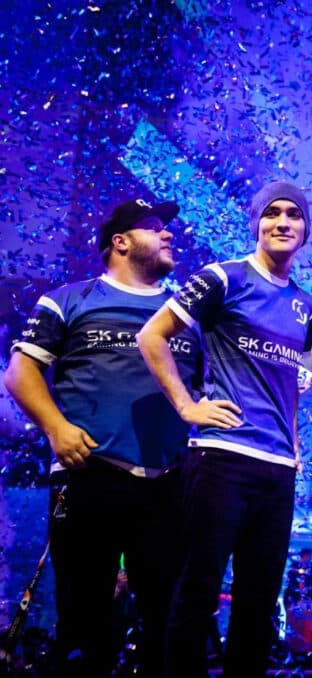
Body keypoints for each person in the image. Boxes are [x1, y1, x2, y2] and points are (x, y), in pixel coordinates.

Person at [4, 198, 201, 676]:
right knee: (84, 619)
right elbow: (20, 374)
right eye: (154, 227)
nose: (168, 234)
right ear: (121, 241)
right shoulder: (70, 299)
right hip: (89, 475)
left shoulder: (186, 315)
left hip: (170, 483)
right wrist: (57, 428)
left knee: (165, 623)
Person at [137, 181, 312, 676]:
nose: (283, 222)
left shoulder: (307, 305)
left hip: (277, 469)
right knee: (199, 591)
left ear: (305, 230)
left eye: (294, 215)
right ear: (256, 223)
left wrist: (294, 447)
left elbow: (289, 382)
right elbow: (152, 336)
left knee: (258, 604)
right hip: (222, 457)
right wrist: (187, 406)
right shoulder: (223, 277)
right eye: (272, 213)